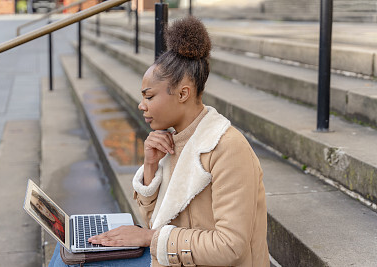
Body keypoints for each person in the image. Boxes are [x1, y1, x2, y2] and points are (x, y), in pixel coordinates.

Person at [50, 16, 269, 267]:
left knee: (68, 263)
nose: (141, 105)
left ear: (183, 93)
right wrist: (151, 167)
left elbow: (230, 247)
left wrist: (148, 237)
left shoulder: (228, 148)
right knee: (67, 248)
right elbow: (157, 223)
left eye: (149, 96)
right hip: (176, 258)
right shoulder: (173, 140)